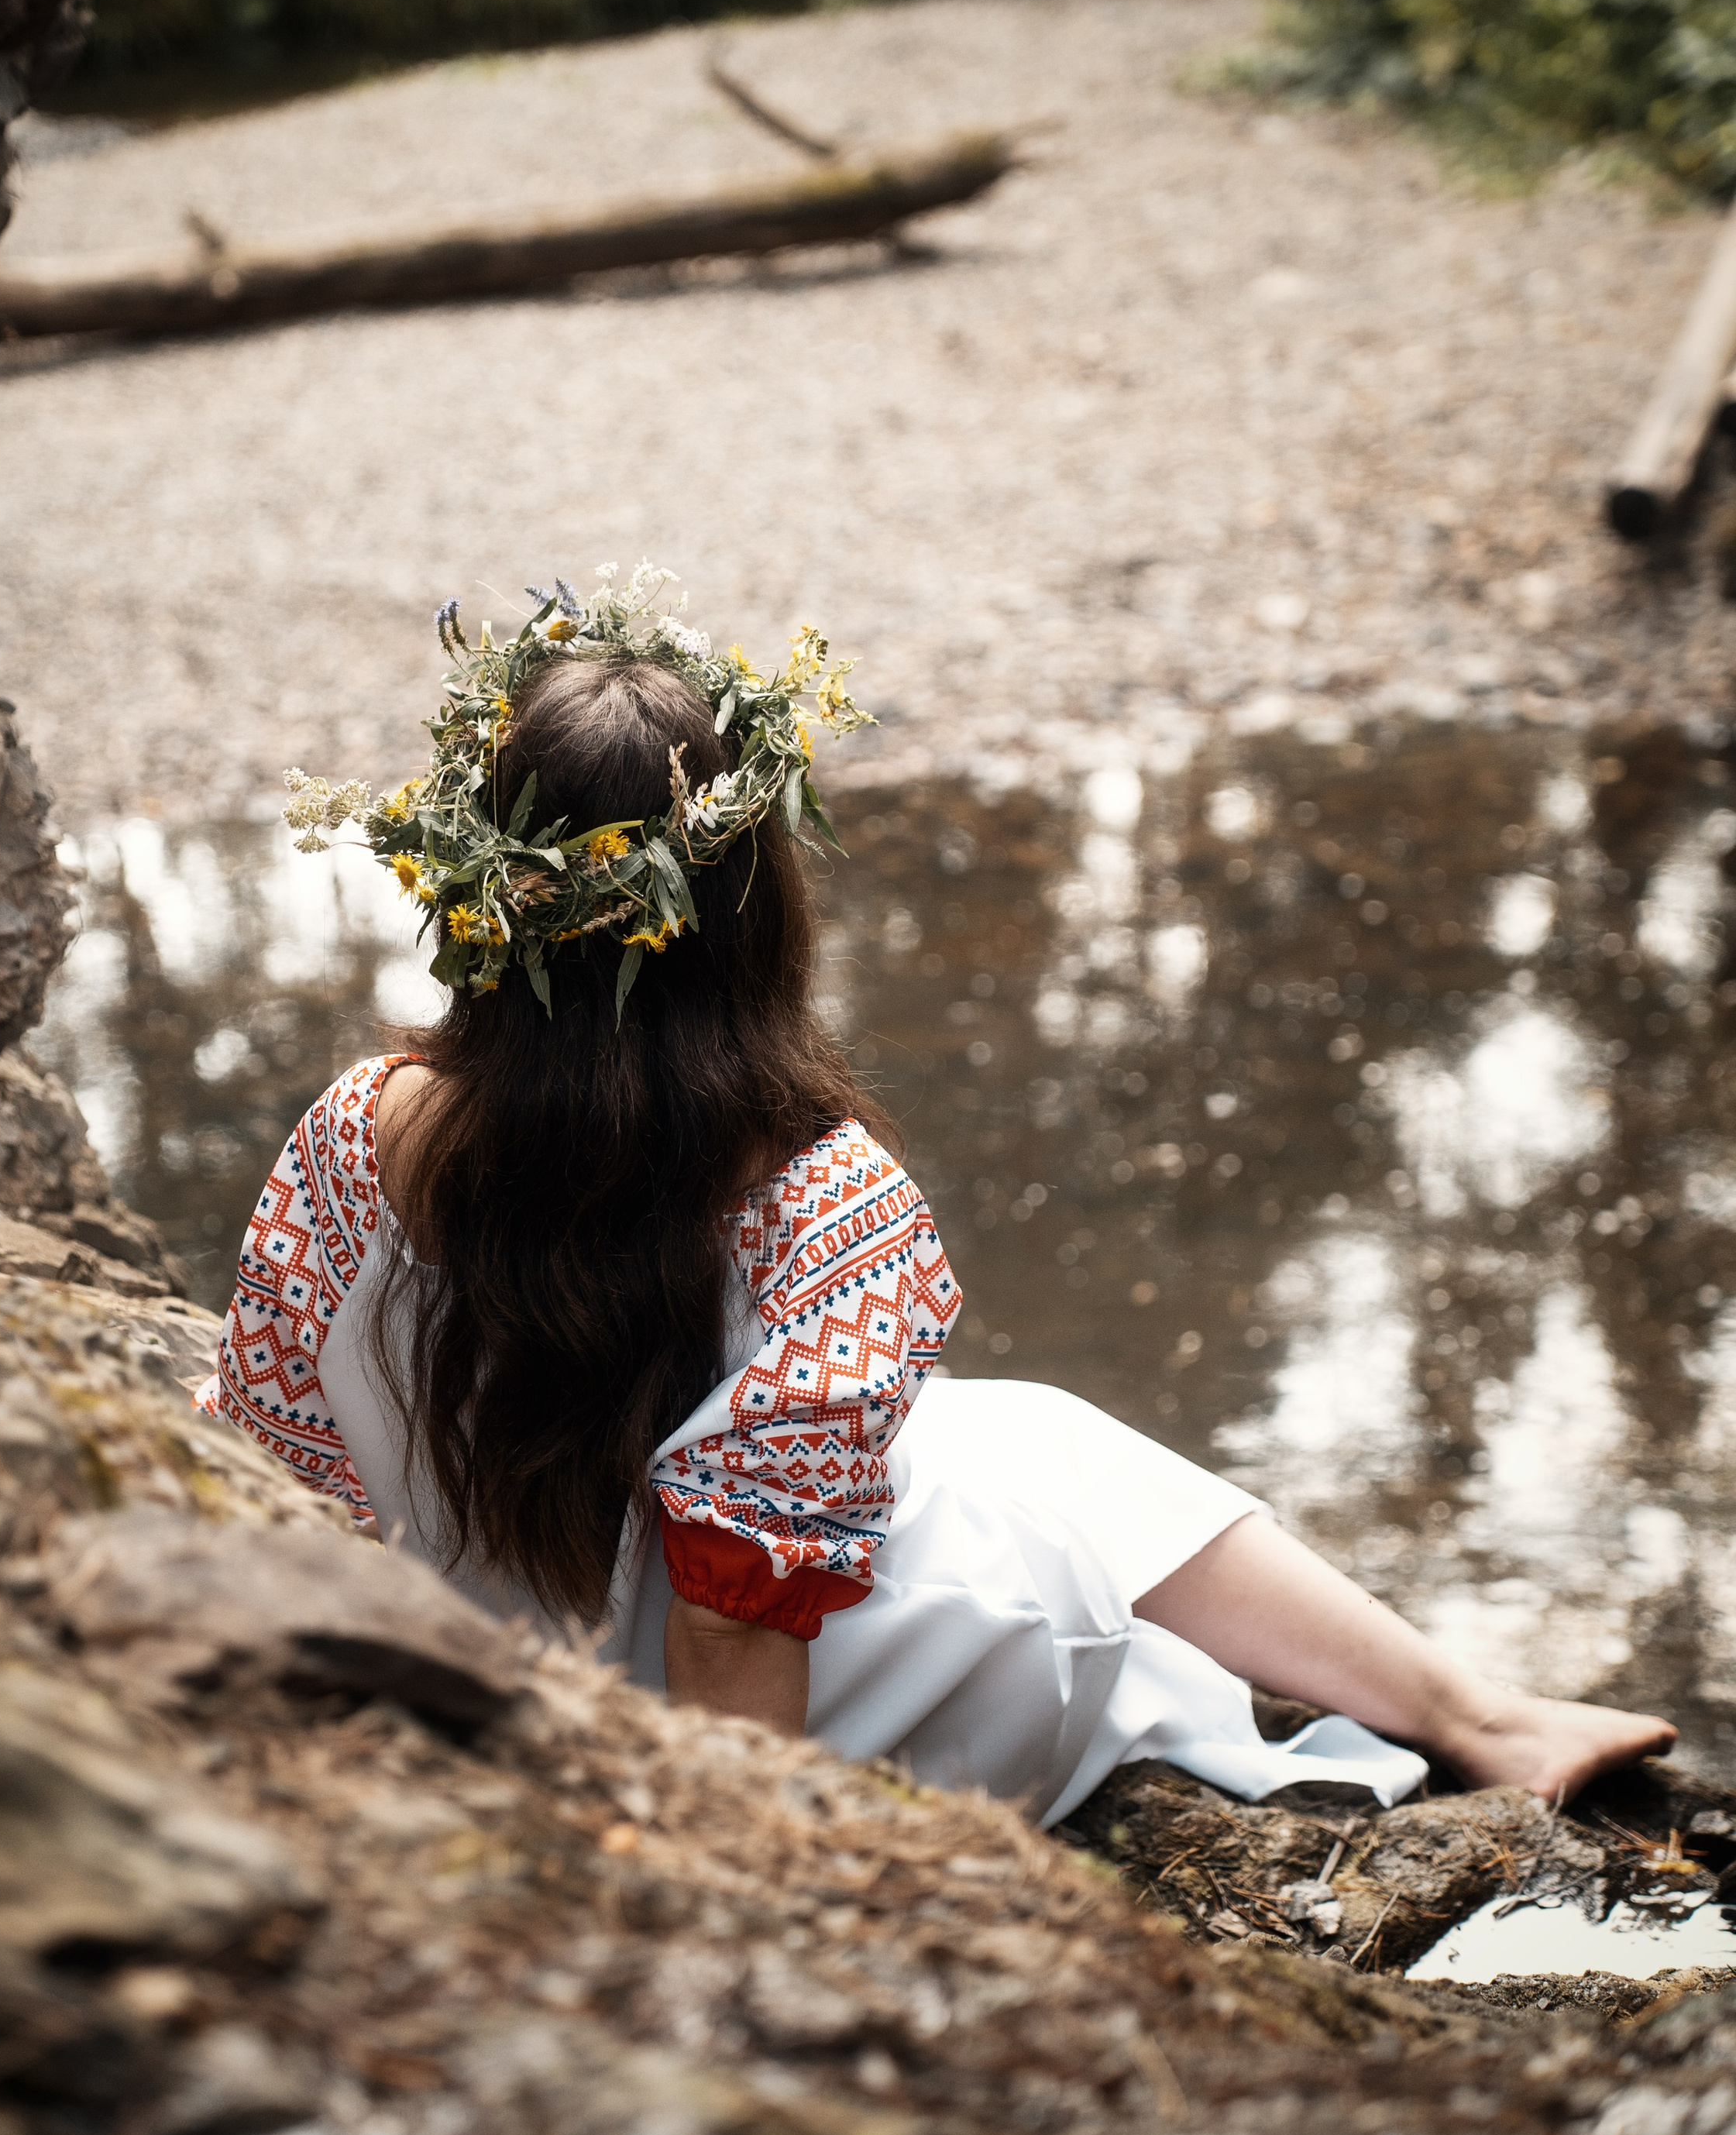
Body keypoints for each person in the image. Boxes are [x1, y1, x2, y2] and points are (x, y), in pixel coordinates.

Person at [198, 575, 1675, 1824]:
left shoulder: (350, 1136)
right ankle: (1475, 1719)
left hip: (482, 1677)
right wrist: (728, 1872)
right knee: (1050, 1527)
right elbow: (730, 1620)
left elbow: (274, 1473)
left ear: (481, 897)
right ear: (752, 906)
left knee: (1025, 1426)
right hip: (756, 1735)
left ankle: (1475, 1710)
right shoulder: (831, 1199)